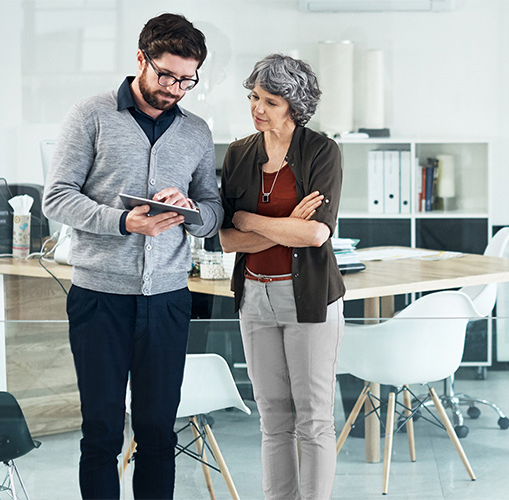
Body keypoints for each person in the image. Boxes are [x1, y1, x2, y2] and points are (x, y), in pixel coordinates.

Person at [42, 13, 222, 500]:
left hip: (167, 300)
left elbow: (212, 212)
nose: (176, 88)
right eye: (167, 75)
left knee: (159, 433)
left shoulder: (197, 132)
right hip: (99, 297)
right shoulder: (91, 114)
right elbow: (56, 197)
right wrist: (124, 221)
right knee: (101, 432)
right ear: (141, 59)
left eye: (188, 80)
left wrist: (187, 211)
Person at [218, 53, 345, 500]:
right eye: (254, 97)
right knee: (272, 417)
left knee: (312, 418)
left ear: (294, 104)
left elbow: (314, 233)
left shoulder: (321, 151)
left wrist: (251, 220)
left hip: (307, 297)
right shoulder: (238, 153)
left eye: (270, 101)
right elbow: (228, 240)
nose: (257, 108)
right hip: (254, 296)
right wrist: (278, 224)